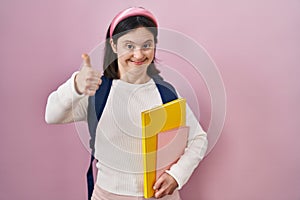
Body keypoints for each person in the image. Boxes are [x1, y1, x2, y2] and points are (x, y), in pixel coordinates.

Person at [45, 7, 208, 200]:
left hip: (160, 196)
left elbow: (199, 138)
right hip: (108, 195)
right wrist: (75, 86)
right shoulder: (97, 91)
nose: (138, 55)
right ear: (114, 45)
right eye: (129, 46)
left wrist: (176, 175)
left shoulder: (166, 93)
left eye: (146, 45)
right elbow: (51, 115)